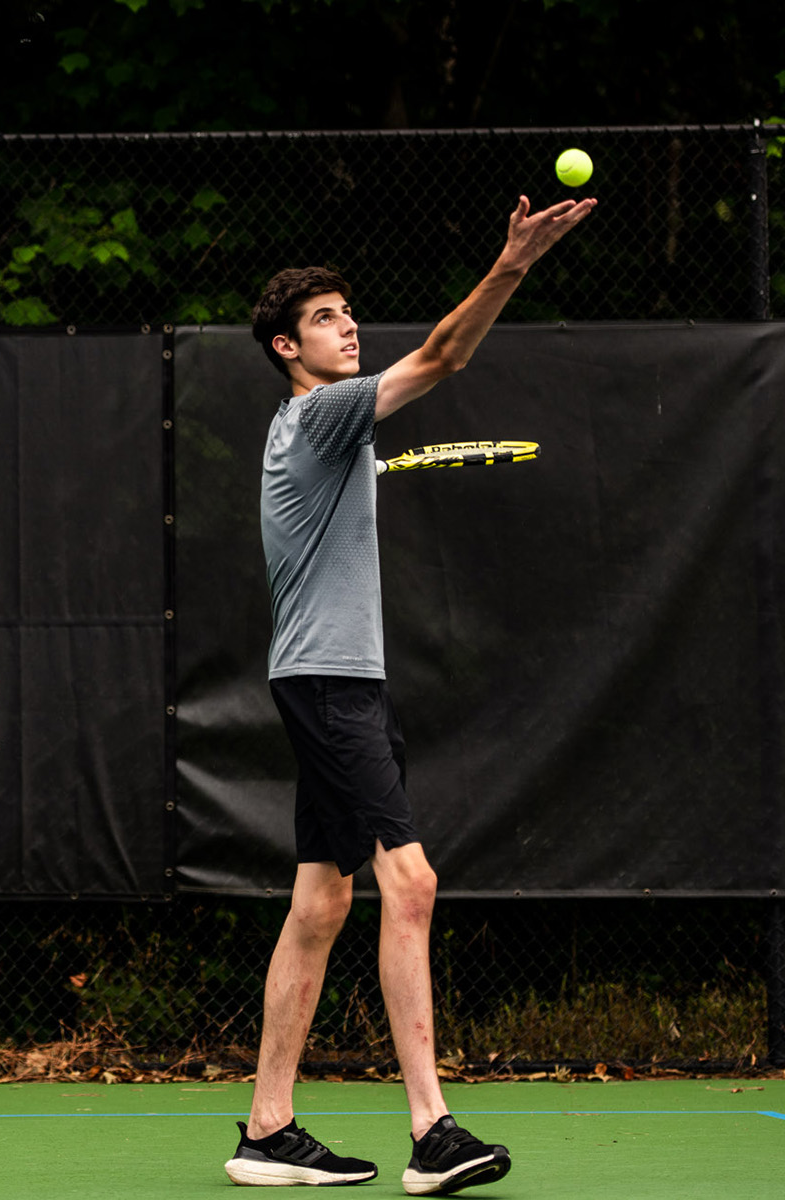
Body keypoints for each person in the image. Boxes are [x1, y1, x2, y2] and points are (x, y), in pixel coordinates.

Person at [223, 193, 596, 1194]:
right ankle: (433, 1132)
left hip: (334, 680)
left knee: (320, 902)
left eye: (349, 313)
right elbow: (441, 356)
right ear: (286, 349)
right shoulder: (320, 413)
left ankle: (267, 1130)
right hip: (330, 685)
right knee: (412, 882)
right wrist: (513, 262)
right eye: (325, 319)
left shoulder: (319, 425)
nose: (348, 328)